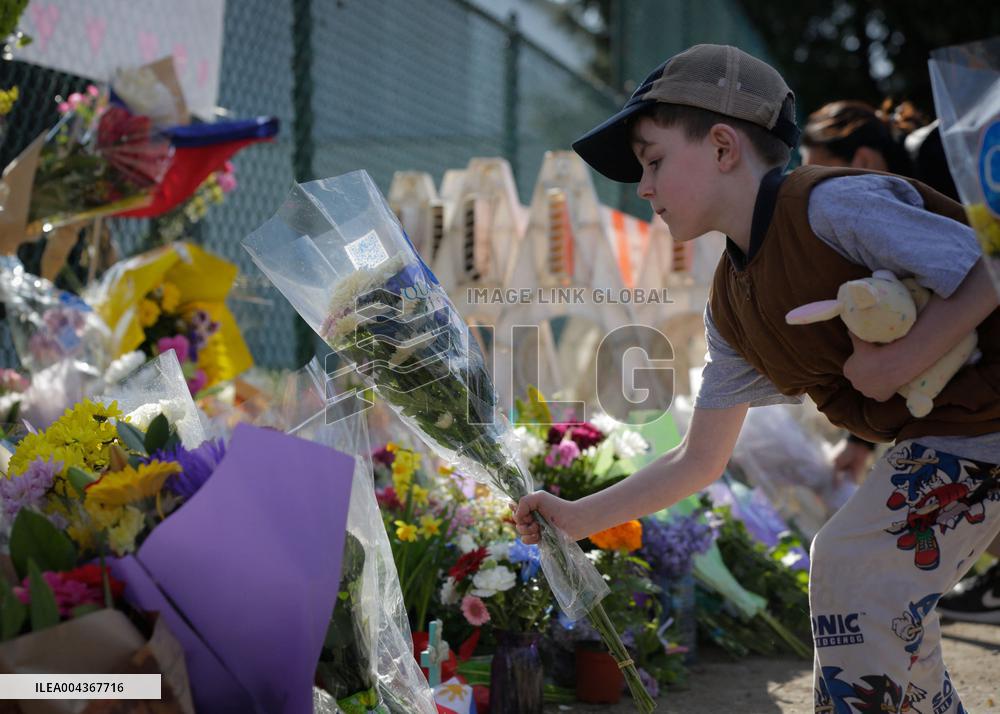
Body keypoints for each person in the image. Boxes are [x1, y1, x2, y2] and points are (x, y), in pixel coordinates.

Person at [513, 44, 1000, 713]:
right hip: (952, 439)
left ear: (721, 146)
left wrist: (896, 360)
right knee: (877, 593)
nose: (643, 187)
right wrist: (574, 518)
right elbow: (699, 459)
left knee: (855, 565)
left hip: (984, 428)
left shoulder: (834, 207)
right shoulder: (733, 302)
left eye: (653, 161)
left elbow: (989, 265)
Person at [802, 98, 1000, 623]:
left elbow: (981, 274)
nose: (810, 199)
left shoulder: (939, 161)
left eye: (819, 177)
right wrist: (857, 439)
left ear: (863, 161)